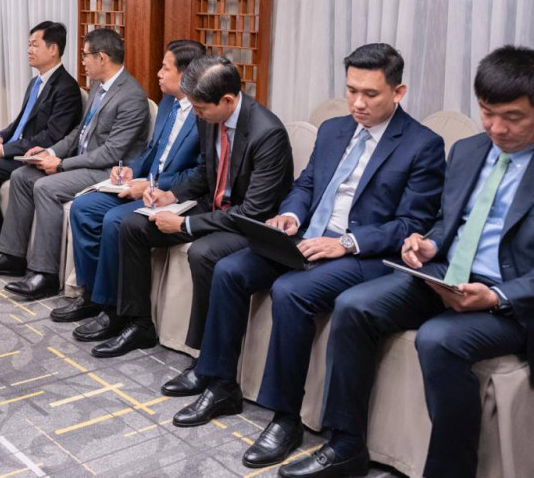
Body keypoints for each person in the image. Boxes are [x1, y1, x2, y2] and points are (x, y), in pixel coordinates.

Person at [170, 44, 445, 470]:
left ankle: (286, 418)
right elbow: (306, 184)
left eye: (370, 94)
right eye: (351, 90)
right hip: (307, 239)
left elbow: (413, 223)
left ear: (399, 91)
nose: (358, 103)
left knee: (291, 291)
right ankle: (220, 383)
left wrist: (347, 242)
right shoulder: (334, 130)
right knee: (229, 270)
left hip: (363, 253)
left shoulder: (422, 144)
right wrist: (291, 215)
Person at [282, 45, 534, 478]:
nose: (496, 127)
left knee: (438, 339)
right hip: (449, 275)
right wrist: (429, 244)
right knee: (354, 306)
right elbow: (447, 222)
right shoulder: (469, 150)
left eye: (513, 117)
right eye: (487, 113)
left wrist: (497, 296)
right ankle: (347, 445)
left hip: (511, 298)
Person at [84, 56, 293, 358]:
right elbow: (205, 172)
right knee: (132, 225)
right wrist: (171, 195)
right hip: (213, 206)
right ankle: (138, 323)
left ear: (228, 100)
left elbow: (253, 212)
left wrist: (185, 224)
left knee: (203, 253)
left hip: (248, 221)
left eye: (200, 108)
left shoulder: (267, 133)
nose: (196, 114)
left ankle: (205, 357)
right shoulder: (209, 117)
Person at [0, 28, 150, 300]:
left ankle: (45, 273)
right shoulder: (98, 86)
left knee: (45, 187)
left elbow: (110, 152)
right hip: (83, 162)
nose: (82, 61)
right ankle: (12, 255)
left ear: (102, 57)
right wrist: (50, 151)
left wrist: (61, 164)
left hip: (108, 172)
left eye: (86, 55)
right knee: (22, 176)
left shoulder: (131, 96)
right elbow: (79, 132)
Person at [53, 40, 205, 326]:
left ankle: (112, 309)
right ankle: (90, 295)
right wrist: (129, 170)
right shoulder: (169, 103)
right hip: (145, 184)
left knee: (115, 220)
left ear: (186, 74)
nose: (158, 73)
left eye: (165, 68)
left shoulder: (203, 114)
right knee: (83, 207)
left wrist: (151, 184)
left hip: (174, 195)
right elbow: (151, 151)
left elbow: (200, 173)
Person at [0, 22, 82, 263]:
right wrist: (0, 137)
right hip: (17, 147)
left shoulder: (66, 88)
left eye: (35, 45)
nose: (29, 50)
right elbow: (21, 122)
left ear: (53, 49)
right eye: (28, 45)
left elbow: (51, 137)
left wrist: (5, 150)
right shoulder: (36, 82)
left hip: (33, 155)